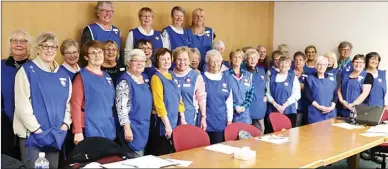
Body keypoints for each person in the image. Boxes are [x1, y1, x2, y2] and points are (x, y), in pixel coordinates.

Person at [14, 32, 72, 168]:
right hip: (33, 136)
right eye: (45, 46)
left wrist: (65, 125)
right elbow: (22, 105)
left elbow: (67, 103)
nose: (49, 50)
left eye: (53, 47)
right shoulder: (26, 71)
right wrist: (37, 130)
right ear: (37, 48)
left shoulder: (63, 74)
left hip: (55, 135)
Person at [71, 40, 116, 145]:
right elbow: (75, 105)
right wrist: (78, 131)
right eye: (93, 53)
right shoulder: (81, 76)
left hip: (108, 126)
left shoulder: (107, 76)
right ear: (86, 57)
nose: (97, 56)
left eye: (99, 52)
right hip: (90, 128)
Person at [115, 49, 152, 158]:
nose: (140, 63)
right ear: (128, 63)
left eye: (142, 61)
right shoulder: (124, 81)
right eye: (135, 60)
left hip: (144, 127)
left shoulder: (145, 78)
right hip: (132, 128)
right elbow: (121, 107)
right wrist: (127, 128)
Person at [2, 30, 31, 160]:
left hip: (29, 124)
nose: (18, 44)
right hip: (5, 123)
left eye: (23, 41)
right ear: (10, 44)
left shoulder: (34, 67)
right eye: (14, 41)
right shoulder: (1, 66)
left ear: (29, 45)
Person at [150, 48, 186, 155]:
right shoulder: (156, 77)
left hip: (174, 119)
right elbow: (159, 103)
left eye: (168, 58)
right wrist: (167, 124)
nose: (166, 62)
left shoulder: (172, 75)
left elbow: (179, 98)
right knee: (163, 153)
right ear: (157, 60)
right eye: (163, 59)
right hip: (162, 121)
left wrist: (182, 118)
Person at [202, 49, 233, 144]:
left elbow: (229, 101)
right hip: (205, 122)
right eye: (213, 61)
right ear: (207, 62)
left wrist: (229, 119)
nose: (216, 64)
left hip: (220, 122)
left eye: (219, 61)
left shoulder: (226, 79)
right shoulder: (201, 78)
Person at [172, 47, 207, 128]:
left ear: (189, 60)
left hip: (189, 116)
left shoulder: (196, 76)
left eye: (185, 59)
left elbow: (201, 98)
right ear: (174, 60)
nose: (182, 62)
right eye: (179, 59)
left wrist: (203, 117)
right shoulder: (169, 75)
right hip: (171, 116)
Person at [80, 1, 121, 67]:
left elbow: (119, 55)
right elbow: (85, 54)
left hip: (114, 69)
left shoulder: (117, 31)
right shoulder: (90, 29)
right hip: (97, 69)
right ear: (98, 13)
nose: (108, 14)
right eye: (105, 11)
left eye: (111, 11)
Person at [266, 56, 301, 127]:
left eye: (286, 63)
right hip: (274, 110)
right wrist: (275, 104)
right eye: (282, 63)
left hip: (289, 110)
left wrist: (284, 106)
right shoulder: (271, 77)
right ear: (278, 65)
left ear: (289, 66)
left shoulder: (293, 77)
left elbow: (297, 94)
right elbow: (267, 92)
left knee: (290, 134)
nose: (284, 65)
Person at [304, 56, 338, 124]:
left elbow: (335, 94)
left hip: (330, 112)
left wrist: (332, 107)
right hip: (315, 112)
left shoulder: (332, 78)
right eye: (319, 64)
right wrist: (319, 107)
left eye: (324, 65)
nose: (322, 67)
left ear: (326, 66)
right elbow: (307, 95)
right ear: (316, 66)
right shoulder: (310, 78)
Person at [226, 49, 254, 124]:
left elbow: (250, 93)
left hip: (245, 115)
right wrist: (235, 106)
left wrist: (244, 106)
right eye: (235, 57)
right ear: (231, 59)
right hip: (231, 115)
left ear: (242, 60)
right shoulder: (225, 75)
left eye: (239, 57)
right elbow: (225, 95)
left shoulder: (248, 75)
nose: (237, 59)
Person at [244, 49, 267, 133]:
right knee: (246, 136)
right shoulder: (243, 72)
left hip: (259, 108)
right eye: (250, 58)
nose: (253, 60)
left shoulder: (261, 71)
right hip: (247, 109)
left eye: (254, 58)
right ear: (246, 60)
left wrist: (265, 96)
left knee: (260, 133)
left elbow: (265, 87)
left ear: (258, 59)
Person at [293, 51, 308, 126]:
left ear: (304, 61)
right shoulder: (289, 73)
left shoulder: (308, 75)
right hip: (290, 107)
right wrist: (299, 85)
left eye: (300, 60)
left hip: (302, 107)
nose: (298, 62)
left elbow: (309, 89)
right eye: (296, 60)